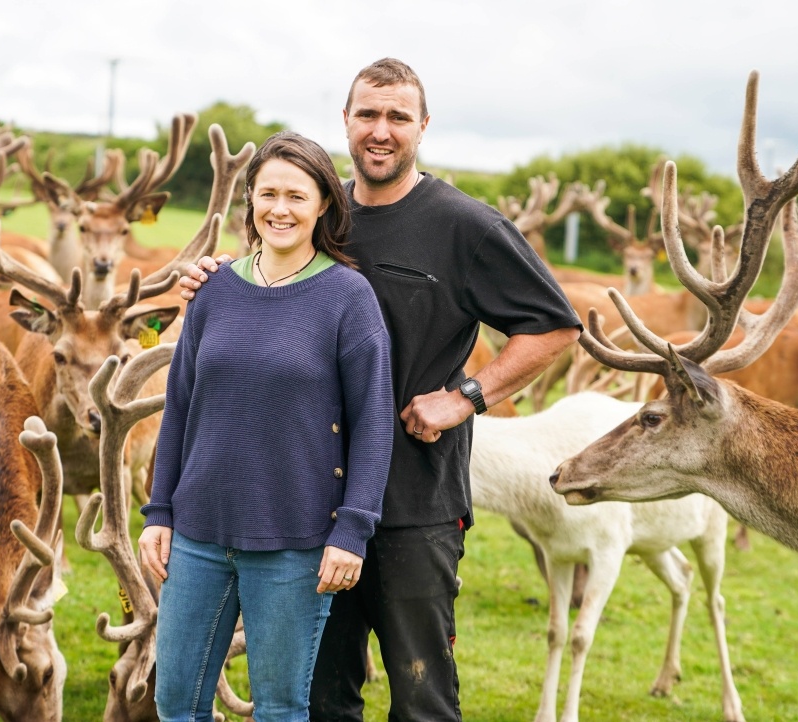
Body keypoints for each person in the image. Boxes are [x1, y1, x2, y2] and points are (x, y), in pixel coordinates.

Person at [180, 58, 581, 721]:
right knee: (319, 697)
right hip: (309, 505)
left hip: (414, 503)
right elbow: (266, 276)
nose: (381, 130)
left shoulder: (465, 226)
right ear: (345, 121)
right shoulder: (320, 211)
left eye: (398, 116)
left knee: (422, 697)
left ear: (423, 127)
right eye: (368, 114)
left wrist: (464, 397)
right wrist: (218, 276)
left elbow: (556, 327)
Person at [138, 131, 394, 722]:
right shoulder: (213, 291)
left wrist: (352, 532)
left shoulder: (348, 298)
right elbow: (180, 409)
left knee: (279, 709)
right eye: (268, 194)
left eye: (297, 196)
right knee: (176, 701)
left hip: (295, 541)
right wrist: (159, 513)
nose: (280, 209)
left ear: (324, 204)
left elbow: (374, 423)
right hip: (200, 533)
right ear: (249, 199)